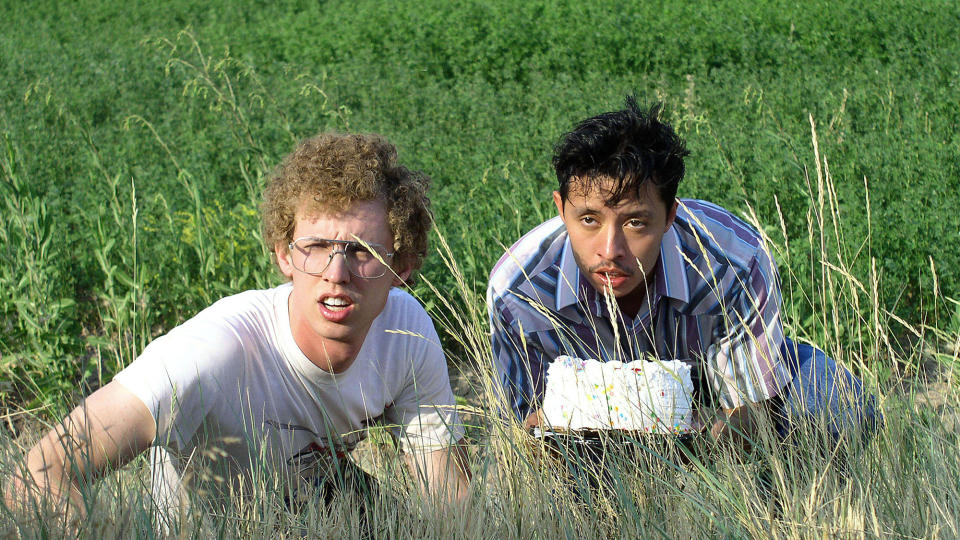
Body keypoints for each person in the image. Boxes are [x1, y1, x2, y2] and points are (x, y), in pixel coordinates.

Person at [6, 132, 470, 529]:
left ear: (402, 266)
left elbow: (449, 503)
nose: (336, 272)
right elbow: (37, 474)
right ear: (284, 256)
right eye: (316, 246)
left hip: (312, 502)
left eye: (361, 250)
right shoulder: (211, 353)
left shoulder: (406, 328)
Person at [487, 96, 879, 451]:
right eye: (588, 219)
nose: (610, 250)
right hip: (588, 415)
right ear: (561, 209)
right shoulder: (518, 291)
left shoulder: (733, 262)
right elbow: (526, 428)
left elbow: (751, 408)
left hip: (711, 388)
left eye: (636, 223)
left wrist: (689, 441)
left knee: (838, 403)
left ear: (671, 214)